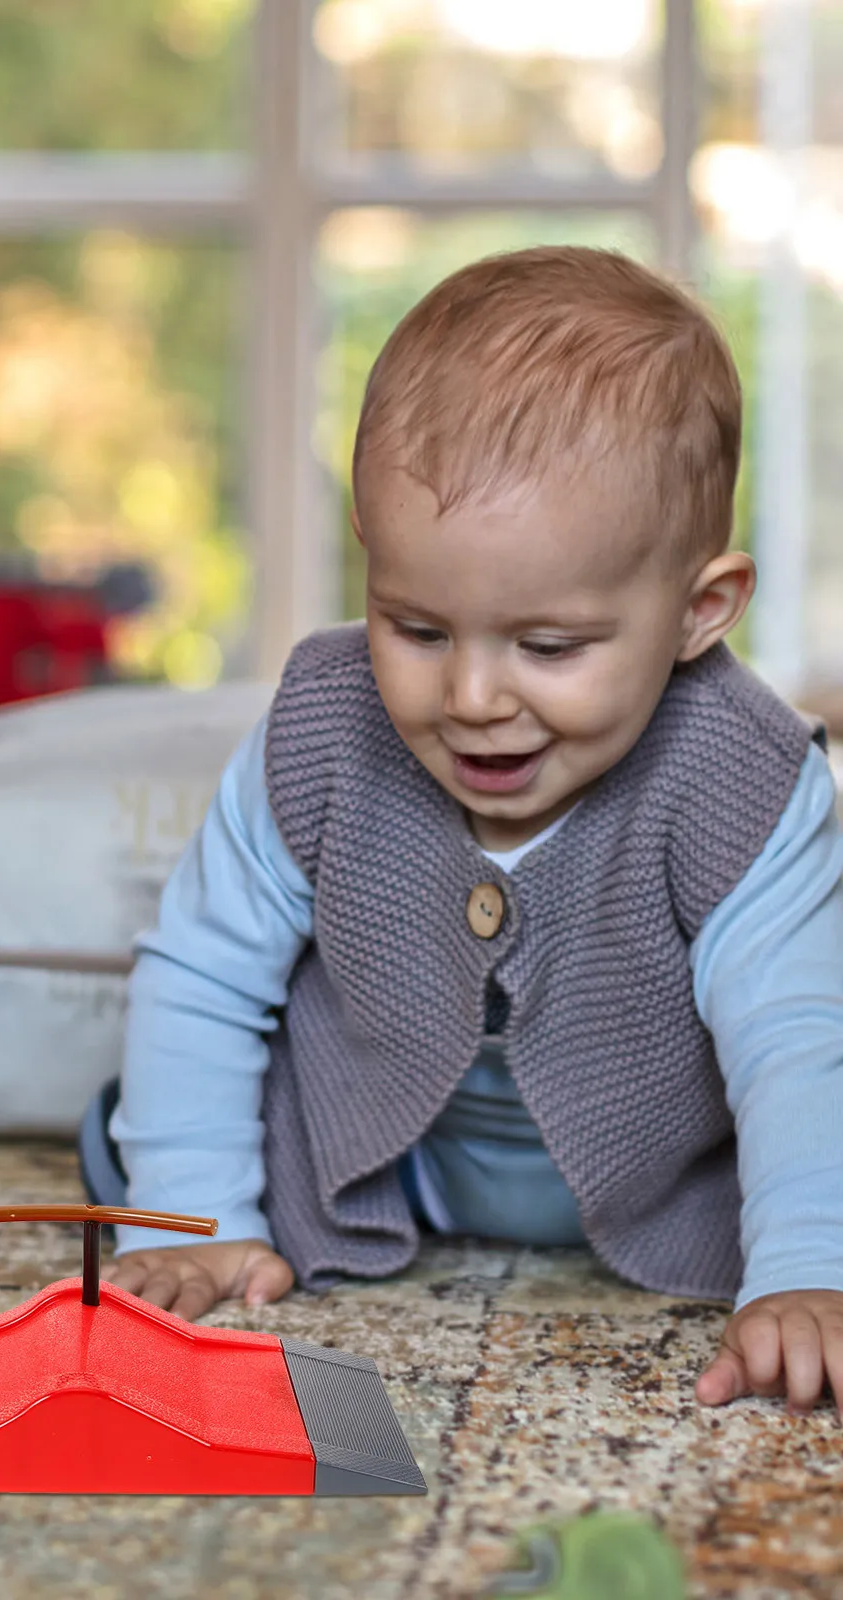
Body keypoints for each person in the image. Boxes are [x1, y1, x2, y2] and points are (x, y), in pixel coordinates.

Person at [77, 246, 843, 1416]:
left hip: (673, 1175)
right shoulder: (322, 731)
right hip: (369, 1156)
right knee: (132, 1125)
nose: (474, 696)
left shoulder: (741, 779)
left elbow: (794, 1036)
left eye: (549, 648)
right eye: (417, 627)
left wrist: (805, 1270)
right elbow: (202, 972)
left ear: (699, 611)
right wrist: (195, 1217)